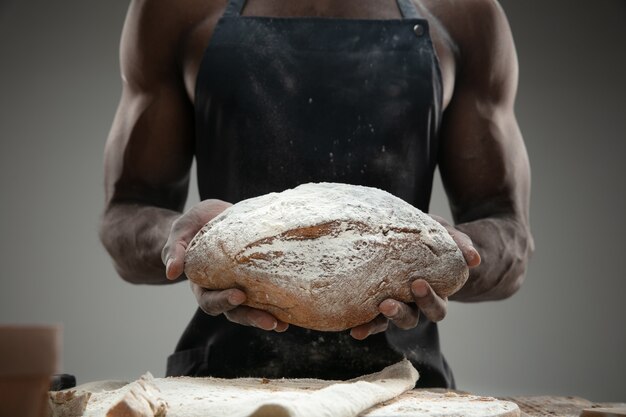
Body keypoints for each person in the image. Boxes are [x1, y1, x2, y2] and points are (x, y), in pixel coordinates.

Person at [99, 0, 534, 388]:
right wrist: (188, 245)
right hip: (222, 386)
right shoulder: (176, 9)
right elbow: (126, 211)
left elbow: (510, 235)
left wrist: (446, 253)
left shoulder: (463, 14)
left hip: (403, 388)